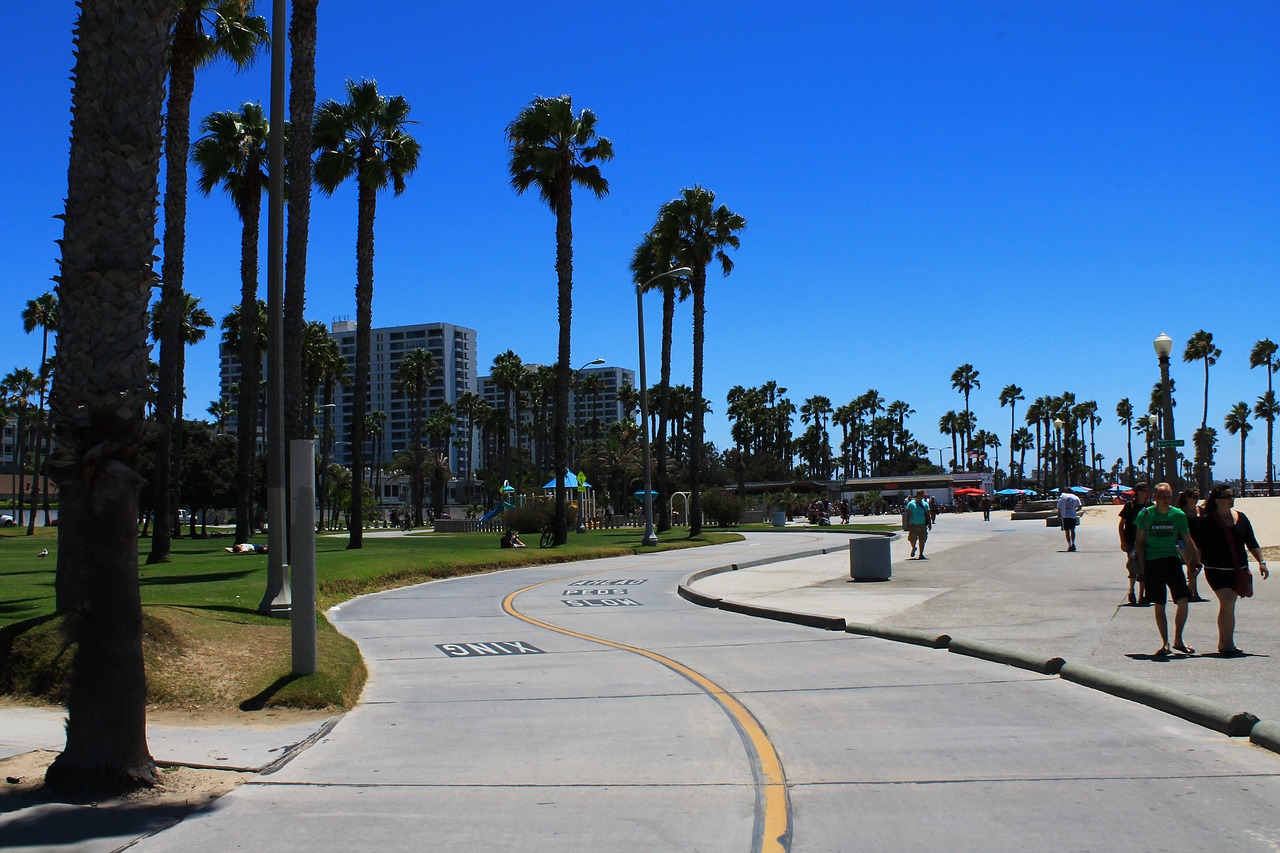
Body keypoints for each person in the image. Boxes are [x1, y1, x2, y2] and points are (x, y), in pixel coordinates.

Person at [1195, 484, 1270, 655]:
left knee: (1229, 605)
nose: (1231, 499)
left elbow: (1251, 541)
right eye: (1228, 496)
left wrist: (1261, 561)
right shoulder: (1207, 520)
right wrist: (1195, 565)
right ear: (1218, 499)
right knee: (1227, 602)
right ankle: (1227, 645)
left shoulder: (1241, 518)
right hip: (1216, 569)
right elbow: (1198, 546)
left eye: (1232, 495)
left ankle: (1225, 643)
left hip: (1238, 569)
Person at [1135, 482, 1201, 657]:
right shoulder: (1146, 515)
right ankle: (1165, 643)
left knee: (1183, 601)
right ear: (1154, 497)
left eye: (1169, 496)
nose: (1166, 500)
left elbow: (1188, 540)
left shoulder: (1178, 515)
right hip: (1152, 563)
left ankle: (1179, 639)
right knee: (1159, 604)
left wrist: (1194, 563)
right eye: (1162, 496)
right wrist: (1143, 567)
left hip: (1172, 561)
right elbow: (1139, 544)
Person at [1117, 482, 1152, 605]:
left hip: (1145, 542)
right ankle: (1132, 591)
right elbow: (1121, 525)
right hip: (1131, 541)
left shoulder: (1149, 506)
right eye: (1144, 490)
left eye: (1148, 490)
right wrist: (1122, 541)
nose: (1147, 492)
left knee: (1144, 568)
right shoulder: (1129, 506)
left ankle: (1142, 595)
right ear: (1137, 492)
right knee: (1133, 565)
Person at [1175, 489, 1207, 602]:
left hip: (1198, 542)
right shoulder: (1180, 512)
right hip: (1183, 541)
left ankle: (1188, 589)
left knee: (1198, 566)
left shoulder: (1201, 510)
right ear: (1187, 498)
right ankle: (1194, 593)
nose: (1196, 498)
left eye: (1198, 496)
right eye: (1194, 496)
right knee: (1191, 564)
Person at [905, 490, 932, 559]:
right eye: (921, 495)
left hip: (922, 524)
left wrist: (929, 523)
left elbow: (927, 515)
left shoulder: (925, 504)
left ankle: (921, 554)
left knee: (922, 540)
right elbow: (908, 514)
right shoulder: (911, 504)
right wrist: (908, 524)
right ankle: (913, 548)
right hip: (913, 524)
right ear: (917, 495)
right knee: (912, 539)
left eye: (922, 495)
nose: (922, 497)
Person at [1055, 487, 1082, 551]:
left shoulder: (1062, 497)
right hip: (1072, 515)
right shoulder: (1075, 497)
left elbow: (1059, 508)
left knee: (1067, 531)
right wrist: (1074, 511)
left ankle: (1069, 545)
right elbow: (1080, 507)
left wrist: (1059, 514)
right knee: (1072, 530)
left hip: (1065, 515)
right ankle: (1073, 544)